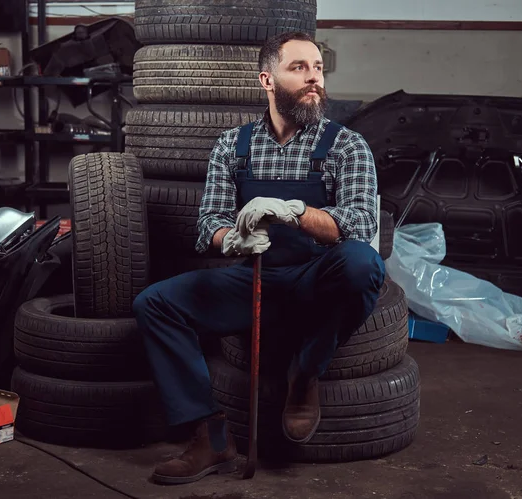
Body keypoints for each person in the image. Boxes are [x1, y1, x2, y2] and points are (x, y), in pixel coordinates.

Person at [133, 31, 385, 485]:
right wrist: (234, 240)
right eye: (299, 68)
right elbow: (209, 221)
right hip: (257, 277)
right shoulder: (234, 146)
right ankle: (210, 435)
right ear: (267, 81)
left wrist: (293, 212)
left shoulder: (346, 146)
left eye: (318, 68)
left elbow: (360, 224)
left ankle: (304, 374)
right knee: (154, 303)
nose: (314, 79)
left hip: (318, 278)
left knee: (363, 265)